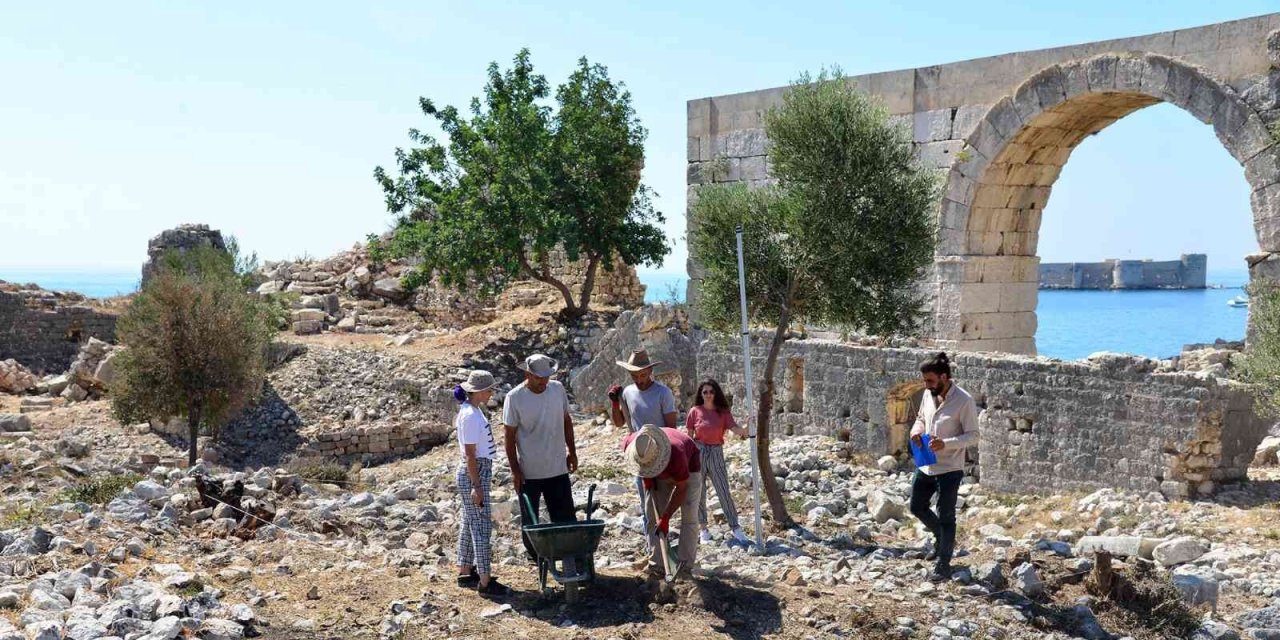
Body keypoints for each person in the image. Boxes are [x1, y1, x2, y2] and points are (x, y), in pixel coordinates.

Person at [908, 352, 979, 582]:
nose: (926, 385)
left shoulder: (964, 400)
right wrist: (916, 430)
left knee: (946, 515)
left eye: (930, 380)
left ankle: (943, 563)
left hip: (950, 467)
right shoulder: (929, 394)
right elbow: (921, 417)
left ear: (944, 377)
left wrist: (945, 444)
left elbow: (973, 436)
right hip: (926, 462)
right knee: (916, 506)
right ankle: (942, 537)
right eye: (925, 380)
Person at [502, 354, 579, 564]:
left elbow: (566, 421)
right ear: (527, 374)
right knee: (531, 521)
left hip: (557, 467)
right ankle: (537, 559)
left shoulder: (557, 390)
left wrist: (572, 451)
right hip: (530, 471)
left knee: (564, 517)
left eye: (546, 377)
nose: (543, 381)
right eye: (538, 377)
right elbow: (509, 436)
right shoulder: (514, 397)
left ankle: (570, 559)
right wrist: (515, 470)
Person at [452, 370, 511, 596]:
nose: (491, 393)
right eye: (488, 389)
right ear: (479, 392)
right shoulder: (469, 416)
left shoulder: (472, 411)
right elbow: (470, 455)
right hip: (474, 472)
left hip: (477, 470)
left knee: (469, 522)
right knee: (481, 526)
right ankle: (485, 580)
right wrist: (477, 486)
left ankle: (465, 569)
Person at [608, 350, 678, 538]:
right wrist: (615, 403)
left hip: (662, 453)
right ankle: (652, 549)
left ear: (650, 371)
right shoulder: (628, 393)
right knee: (645, 504)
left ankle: (663, 546)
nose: (640, 379)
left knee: (661, 504)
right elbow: (619, 423)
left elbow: (672, 428)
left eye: (643, 375)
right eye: (635, 376)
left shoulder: (663, 393)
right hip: (639, 455)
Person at [621, 424, 703, 580]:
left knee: (690, 517)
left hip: (688, 470)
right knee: (652, 515)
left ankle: (685, 568)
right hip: (658, 475)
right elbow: (640, 461)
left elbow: (681, 489)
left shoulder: (677, 452)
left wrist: (666, 518)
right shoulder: (632, 444)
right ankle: (657, 565)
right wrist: (647, 478)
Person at [685, 379, 751, 545]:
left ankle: (735, 527)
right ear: (701, 394)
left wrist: (746, 429)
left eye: (711, 392)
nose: (708, 395)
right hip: (698, 451)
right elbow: (689, 436)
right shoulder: (694, 411)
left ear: (716, 394)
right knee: (699, 492)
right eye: (705, 392)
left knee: (723, 490)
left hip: (716, 452)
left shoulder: (722, 412)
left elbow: (734, 429)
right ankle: (703, 529)